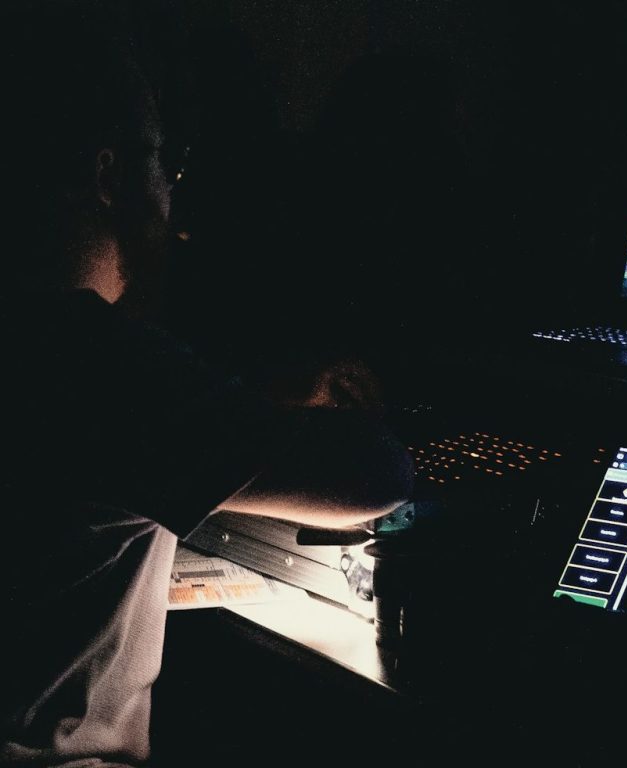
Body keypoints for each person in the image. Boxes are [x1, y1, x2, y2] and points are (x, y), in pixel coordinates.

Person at [0, 10, 412, 768]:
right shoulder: (92, 357)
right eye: (166, 164)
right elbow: (374, 476)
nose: (172, 195)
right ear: (110, 176)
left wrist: (248, 404)